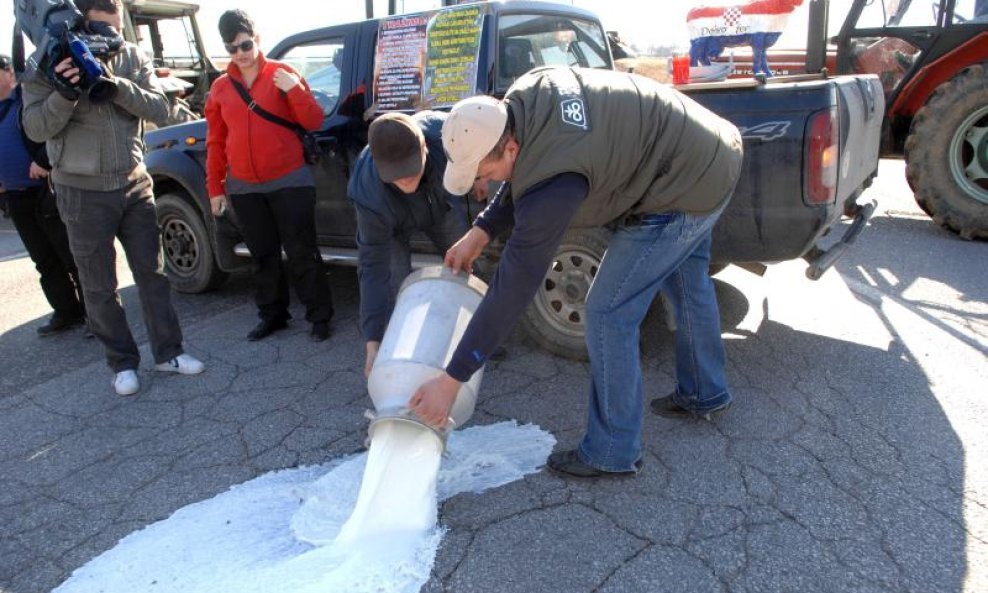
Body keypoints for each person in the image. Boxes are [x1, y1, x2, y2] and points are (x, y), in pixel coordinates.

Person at [408, 66, 744, 479]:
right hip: (709, 153)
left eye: (484, 176)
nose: (483, 187)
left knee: (607, 313)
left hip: (682, 185)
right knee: (686, 280)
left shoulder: (556, 183)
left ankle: (612, 451)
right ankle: (704, 392)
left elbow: (513, 287)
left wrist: (451, 380)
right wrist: (481, 230)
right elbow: (526, 173)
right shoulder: (523, 97)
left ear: (509, 148)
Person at [21, 0, 205, 396]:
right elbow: (35, 128)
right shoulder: (43, 62)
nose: (112, 39)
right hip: (80, 191)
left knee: (153, 275)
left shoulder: (130, 55)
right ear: (78, 23)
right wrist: (65, 94)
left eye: (118, 29)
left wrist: (118, 86)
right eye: (101, 30)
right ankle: (122, 363)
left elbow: (163, 109)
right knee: (99, 285)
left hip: (134, 183)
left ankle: (169, 352)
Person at [205, 10, 334, 343]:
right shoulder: (220, 88)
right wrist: (215, 189)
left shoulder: (282, 73)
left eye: (245, 44)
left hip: (289, 180)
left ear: (256, 39)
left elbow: (314, 121)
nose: (241, 54)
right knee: (262, 256)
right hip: (245, 186)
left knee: (302, 251)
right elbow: (216, 142)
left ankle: (320, 317)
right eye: (232, 48)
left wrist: (295, 90)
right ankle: (273, 315)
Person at [349, 111, 474, 377]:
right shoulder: (367, 192)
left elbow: (478, 148)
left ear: (424, 147)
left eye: (410, 167)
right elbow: (372, 270)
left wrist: (478, 175)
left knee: (465, 262)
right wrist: (372, 342)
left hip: (438, 207)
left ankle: (477, 334)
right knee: (396, 286)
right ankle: (397, 352)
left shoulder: (445, 134)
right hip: (391, 221)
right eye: (395, 173)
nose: (405, 179)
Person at [0, 54, 86, 336]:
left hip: (46, 190)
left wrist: (43, 160)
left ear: (9, 73)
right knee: (43, 258)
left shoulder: (27, 100)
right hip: (15, 196)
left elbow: (55, 131)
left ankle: (95, 314)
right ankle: (66, 312)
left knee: (71, 254)